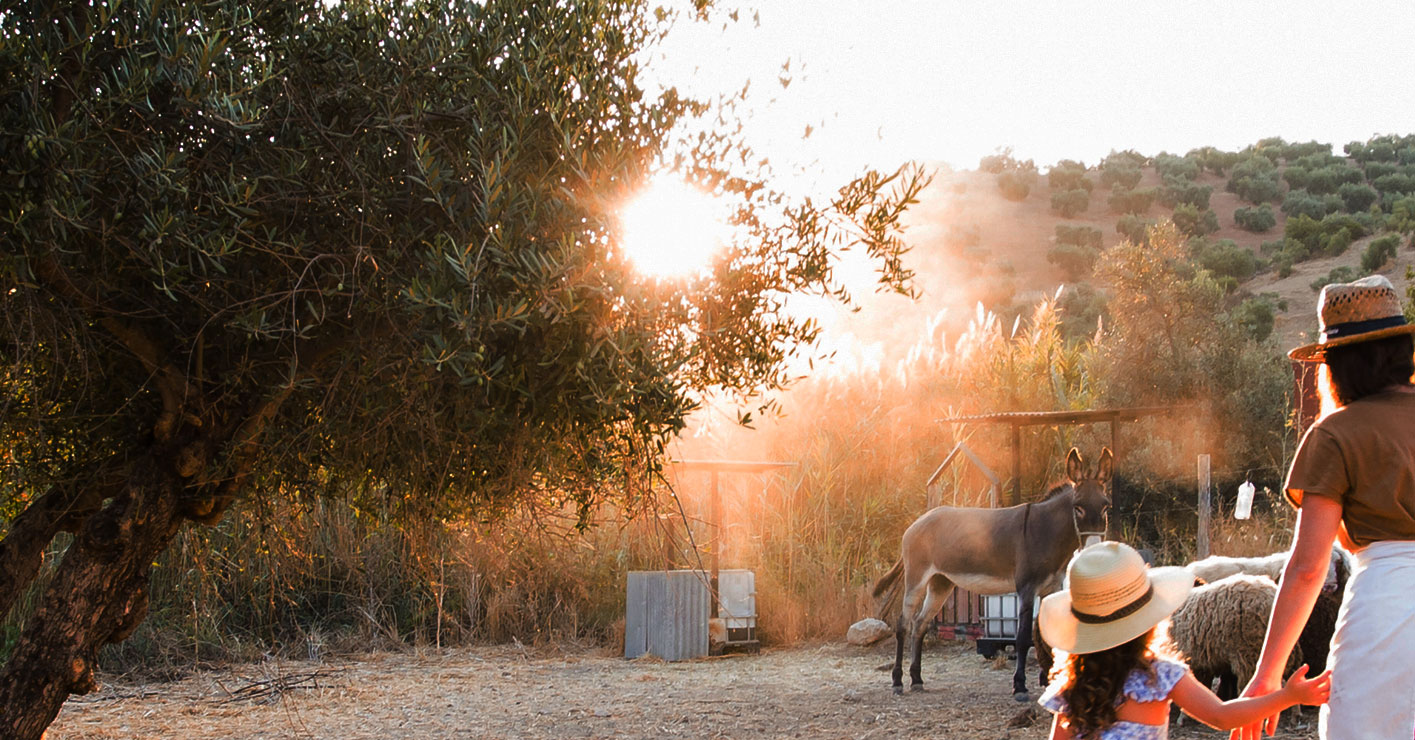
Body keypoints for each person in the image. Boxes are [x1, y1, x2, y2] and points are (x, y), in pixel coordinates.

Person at [1233, 274, 1415, 740]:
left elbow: (1308, 568)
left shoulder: (1335, 434)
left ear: (1337, 366)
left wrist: (1266, 676)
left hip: (1386, 613)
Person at [1038, 541, 1330, 739]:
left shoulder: (1073, 687)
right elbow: (1222, 716)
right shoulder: (1160, 676)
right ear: (1148, 618)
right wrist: (1289, 696)